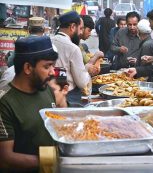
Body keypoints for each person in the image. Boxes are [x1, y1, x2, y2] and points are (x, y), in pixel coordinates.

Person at [0, 36, 58, 172]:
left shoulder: (45, 88)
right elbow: (4, 159)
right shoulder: (4, 103)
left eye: (53, 65)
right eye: (47, 66)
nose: (52, 71)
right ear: (27, 68)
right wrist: (52, 160)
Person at [51, 11, 92, 104]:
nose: (81, 32)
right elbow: (82, 82)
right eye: (80, 28)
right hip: (69, 96)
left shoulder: (49, 41)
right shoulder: (73, 48)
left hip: (51, 94)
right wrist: (87, 69)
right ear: (72, 27)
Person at [0, 17, 47, 89]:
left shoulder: (22, 42)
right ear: (43, 30)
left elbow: (10, 62)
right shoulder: (50, 45)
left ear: (28, 30)